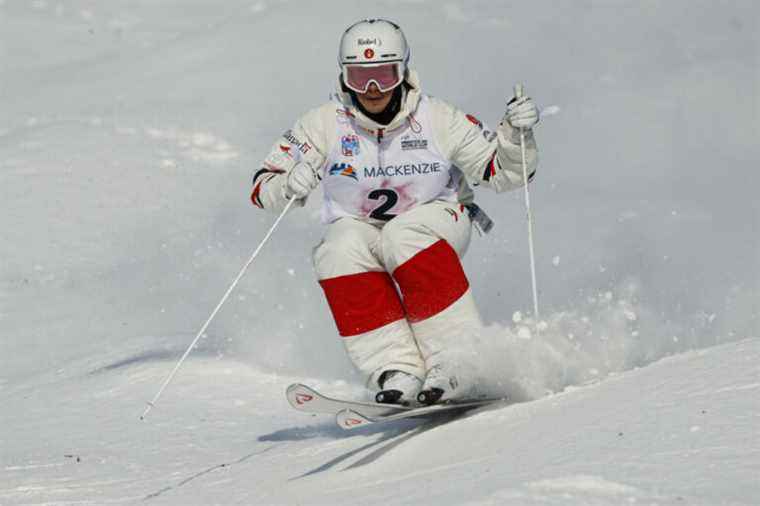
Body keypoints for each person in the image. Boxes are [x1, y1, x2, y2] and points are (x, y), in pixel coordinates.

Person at [251, 18, 538, 406]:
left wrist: (516, 138)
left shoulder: (437, 118)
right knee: (337, 249)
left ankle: (457, 360)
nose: (372, 90)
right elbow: (262, 185)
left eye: (384, 75)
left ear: (403, 72)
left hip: (438, 218)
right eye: (359, 76)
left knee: (404, 234)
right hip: (363, 227)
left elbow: (501, 172)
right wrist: (287, 184)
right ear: (343, 77)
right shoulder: (323, 124)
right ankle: (396, 368)